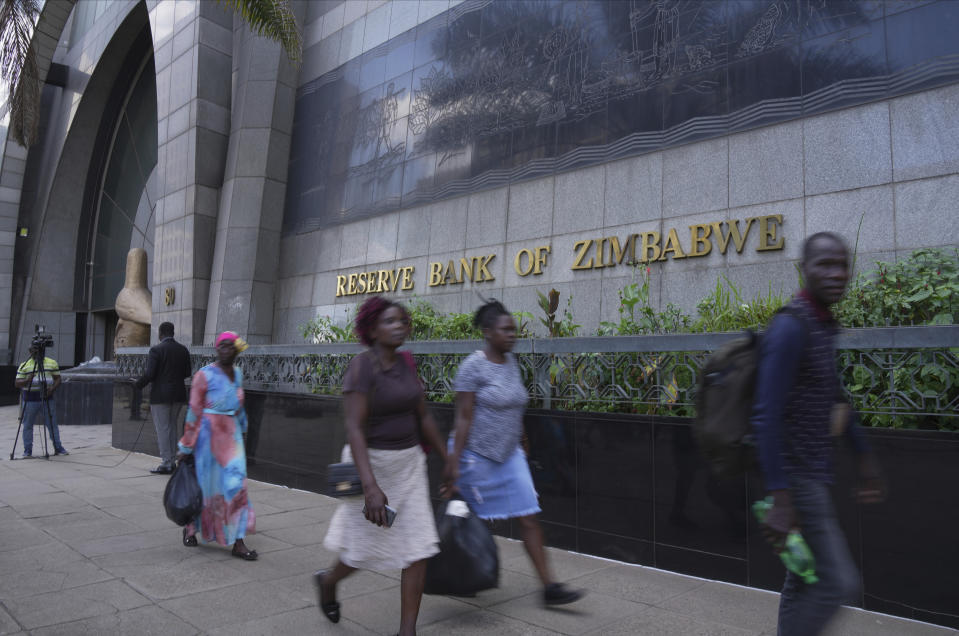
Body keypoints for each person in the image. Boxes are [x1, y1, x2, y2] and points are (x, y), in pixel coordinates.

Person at [752, 232, 884, 636]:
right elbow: (765, 415)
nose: (837, 274)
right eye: (824, 264)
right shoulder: (792, 326)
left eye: (842, 264)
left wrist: (863, 457)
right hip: (797, 479)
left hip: (813, 473)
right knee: (838, 583)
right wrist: (780, 496)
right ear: (803, 269)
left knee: (803, 580)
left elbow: (834, 398)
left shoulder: (822, 325)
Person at [316, 296, 448, 636]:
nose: (399, 326)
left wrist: (451, 462)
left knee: (418, 549)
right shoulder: (362, 367)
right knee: (361, 551)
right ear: (372, 329)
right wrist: (371, 486)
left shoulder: (406, 363)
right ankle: (328, 583)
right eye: (390, 321)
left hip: (409, 466)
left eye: (402, 321)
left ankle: (407, 632)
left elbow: (423, 416)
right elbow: (355, 428)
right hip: (369, 466)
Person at [444, 299, 584, 606]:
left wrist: (522, 438)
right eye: (505, 330)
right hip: (475, 456)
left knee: (529, 517)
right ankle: (458, 573)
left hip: (510, 456)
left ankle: (550, 587)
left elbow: (515, 404)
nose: (512, 335)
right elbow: (463, 417)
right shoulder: (472, 367)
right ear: (487, 332)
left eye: (513, 330)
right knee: (465, 520)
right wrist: (453, 465)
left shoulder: (511, 362)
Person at [177, 331, 258, 560]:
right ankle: (191, 527)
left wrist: (243, 430)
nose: (225, 350)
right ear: (216, 349)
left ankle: (238, 542)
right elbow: (194, 412)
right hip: (207, 440)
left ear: (236, 350)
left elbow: (240, 407)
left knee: (237, 486)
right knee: (206, 488)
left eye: (230, 346)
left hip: (232, 439)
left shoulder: (238, 374)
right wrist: (185, 446)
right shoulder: (204, 375)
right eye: (222, 345)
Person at [135, 322, 192, 474]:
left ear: (160, 334)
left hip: (161, 396)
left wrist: (137, 385)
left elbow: (150, 374)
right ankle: (172, 461)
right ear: (173, 333)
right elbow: (187, 372)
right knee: (172, 427)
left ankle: (167, 463)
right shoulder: (183, 349)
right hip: (179, 395)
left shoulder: (156, 350)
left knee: (163, 429)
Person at [15, 343, 68, 457]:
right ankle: (27, 450)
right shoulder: (24, 365)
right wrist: (27, 380)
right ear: (30, 351)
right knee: (28, 425)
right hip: (30, 400)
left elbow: (58, 378)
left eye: (38, 350)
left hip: (47, 399)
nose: (35, 352)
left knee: (52, 424)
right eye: (33, 350)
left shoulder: (51, 363)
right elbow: (17, 383)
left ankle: (58, 447)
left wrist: (52, 389)